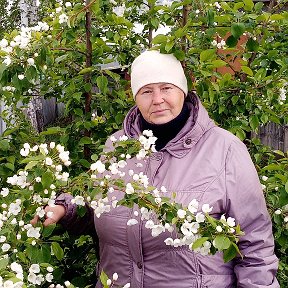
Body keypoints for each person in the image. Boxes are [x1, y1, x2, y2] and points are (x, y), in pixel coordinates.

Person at [32, 50, 279, 287]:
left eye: (166, 88)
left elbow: (254, 245)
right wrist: (65, 208)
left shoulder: (224, 149)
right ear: (135, 97)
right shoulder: (117, 146)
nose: (158, 99)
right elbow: (98, 204)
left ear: (182, 90)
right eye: (146, 91)